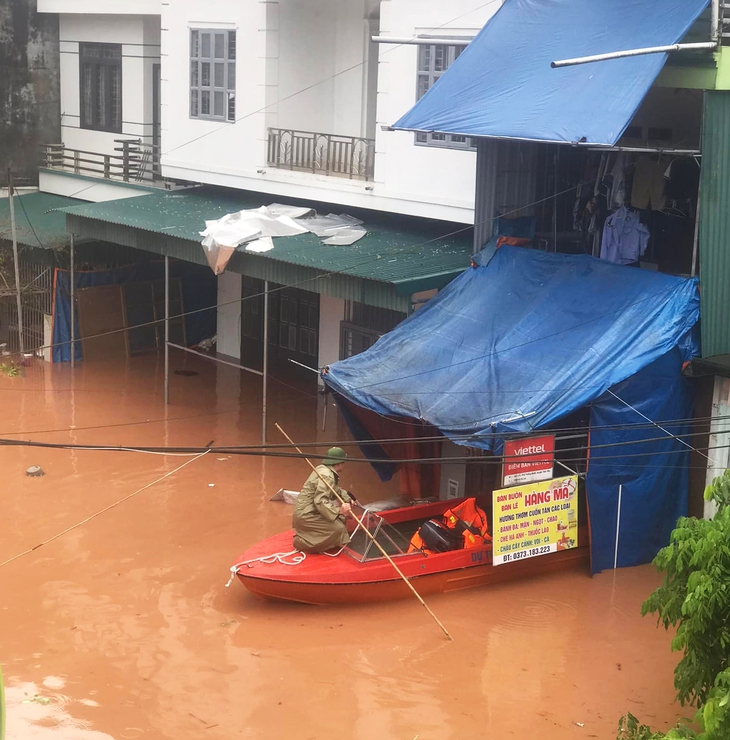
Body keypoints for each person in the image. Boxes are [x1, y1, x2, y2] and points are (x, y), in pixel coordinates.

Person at [292, 447, 356, 553]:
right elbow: (320, 501)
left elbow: (335, 489)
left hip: (305, 511)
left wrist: (347, 499)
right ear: (338, 464)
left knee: (341, 519)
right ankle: (302, 543)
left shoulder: (322, 469)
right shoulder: (327, 476)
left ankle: (311, 536)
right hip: (306, 515)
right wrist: (339, 510)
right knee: (339, 529)